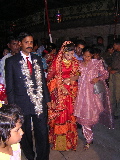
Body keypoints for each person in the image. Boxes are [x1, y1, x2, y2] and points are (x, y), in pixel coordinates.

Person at [5, 32, 51, 160]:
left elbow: (43, 81)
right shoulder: (11, 61)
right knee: (24, 135)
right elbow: (10, 87)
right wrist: (13, 107)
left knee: (42, 132)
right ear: (20, 43)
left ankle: (42, 157)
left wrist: (47, 100)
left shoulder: (37, 59)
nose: (29, 45)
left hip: (39, 103)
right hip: (21, 104)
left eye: (31, 42)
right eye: (26, 42)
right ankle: (30, 156)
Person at [74, 47, 113, 150]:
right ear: (82, 54)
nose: (86, 58)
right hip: (81, 93)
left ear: (92, 55)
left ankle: (89, 134)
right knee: (83, 116)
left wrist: (98, 78)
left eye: (88, 56)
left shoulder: (97, 63)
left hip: (92, 93)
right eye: (85, 56)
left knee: (92, 115)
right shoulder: (79, 63)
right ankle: (88, 139)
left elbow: (105, 74)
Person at [47, 41, 80, 151]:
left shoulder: (75, 62)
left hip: (71, 94)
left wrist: (70, 79)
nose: (70, 56)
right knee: (61, 117)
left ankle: (70, 142)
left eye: (72, 54)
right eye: (67, 54)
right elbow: (51, 78)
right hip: (60, 95)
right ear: (62, 53)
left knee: (70, 116)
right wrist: (61, 87)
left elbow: (78, 75)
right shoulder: (57, 63)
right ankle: (60, 144)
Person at [109, 39, 120, 119]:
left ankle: (117, 112)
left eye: (114, 45)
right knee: (111, 94)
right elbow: (112, 62)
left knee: (118, 95)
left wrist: (116, 70)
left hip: (118, 75)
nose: (113, 46)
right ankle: (112, 111)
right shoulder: (115, 53)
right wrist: (110, 67)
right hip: (112, 75)